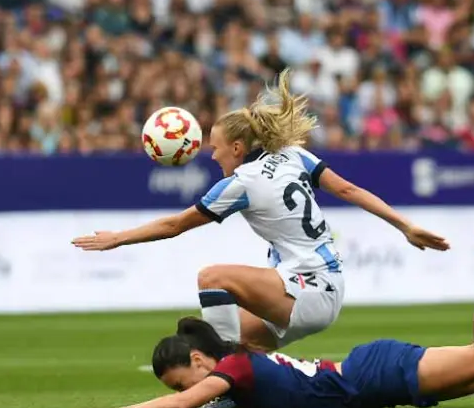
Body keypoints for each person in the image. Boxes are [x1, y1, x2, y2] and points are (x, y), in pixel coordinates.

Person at [58, 200, 474, 408]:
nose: (184, 391)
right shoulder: (237, 361)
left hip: (370, 376)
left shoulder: (231, 369)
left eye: (179, 380)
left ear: (197, 362)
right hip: (364, 378)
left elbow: (178, 406)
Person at [71, 68, 449, 354]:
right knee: (241, 340)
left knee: (211, 278)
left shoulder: (242, 182)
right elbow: (348, 189)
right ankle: (245, 388)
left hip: (307, 289)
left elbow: (175, 225)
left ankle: (218, 381)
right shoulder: (294, 154)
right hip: (327, 285)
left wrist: (117, 238)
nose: (213, 155)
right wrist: (404, 225)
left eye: (217, 148)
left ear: (237, 148)